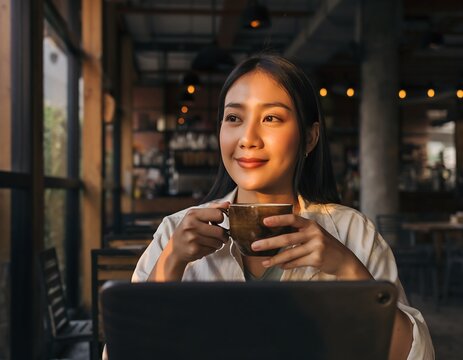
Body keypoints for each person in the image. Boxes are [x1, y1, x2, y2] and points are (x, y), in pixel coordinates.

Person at [132, 54, 434, 359]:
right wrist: (171, 263)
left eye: (271, 118)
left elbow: (413, 355)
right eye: (234, 118)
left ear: (310, 138)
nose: (248, 139)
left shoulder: (353, 233)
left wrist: (348, 269)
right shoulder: (176, 231)